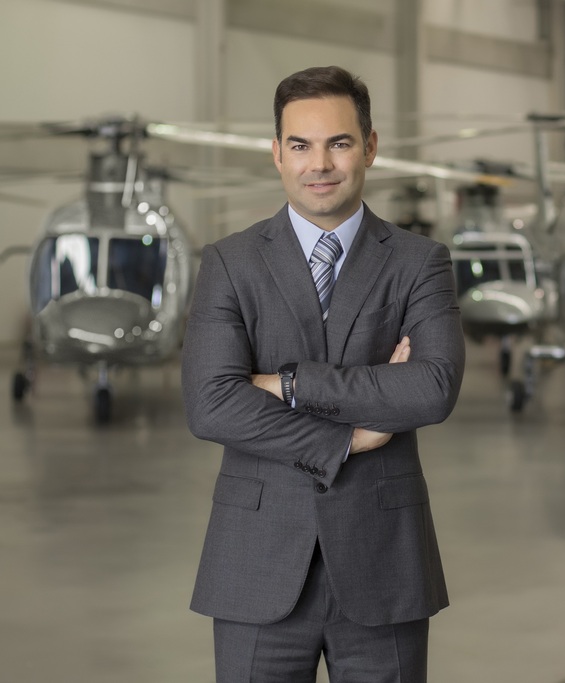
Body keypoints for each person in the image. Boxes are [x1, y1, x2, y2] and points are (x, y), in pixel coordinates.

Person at [181, 65, 465, 683]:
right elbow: (210, 403)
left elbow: (432, 387)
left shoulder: (420, 264)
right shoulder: (230, 264)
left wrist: (285, 384)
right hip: (255, 561)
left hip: (384, 560)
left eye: (338, 142)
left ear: (369, 146)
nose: (320, 164)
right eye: (301, 145)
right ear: (276, 154)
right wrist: (348, 437)